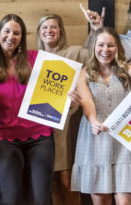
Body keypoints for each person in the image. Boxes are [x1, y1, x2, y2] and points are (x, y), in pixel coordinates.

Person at [70, 27, 131, 205]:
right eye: (101, 45)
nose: (105, 49)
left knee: (125, 200)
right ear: (94, 47)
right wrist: (93, 121)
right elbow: (86, 101)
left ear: (117, 48)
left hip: (125, 138)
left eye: (110, 45)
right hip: (96, 137)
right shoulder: (83, 74)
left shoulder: (126, 70)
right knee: (101, 200)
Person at [0, 14, 54, 205]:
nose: (11, 36)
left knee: (42, 198)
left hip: (39, 136)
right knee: (10, 198)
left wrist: (67, 97)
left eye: (16, 33)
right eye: (7, 31)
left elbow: (56, 89)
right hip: (5, 138)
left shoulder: (36, 59)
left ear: (22, 37)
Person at [36, 14, 90, 205]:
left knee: (67, 181)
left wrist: (96, 28)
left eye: (53, 27)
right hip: (41, 124)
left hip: (67, 125)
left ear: (61, 31)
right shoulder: (34, 57)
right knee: (51, 182)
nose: (49, 31)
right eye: (45, 27)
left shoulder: (74, 52)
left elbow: (97, 56)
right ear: (39, 32)